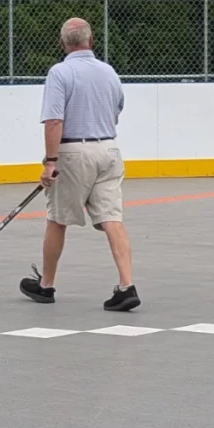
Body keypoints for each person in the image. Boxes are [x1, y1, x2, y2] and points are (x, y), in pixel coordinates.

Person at [18, 17, 139, 311]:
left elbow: (54, 119)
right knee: (112, 217)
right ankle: (126, 285)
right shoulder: (108, 72)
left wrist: (50, 162)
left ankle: (46, 285)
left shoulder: (60, 73)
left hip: (74, 151)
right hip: (108, 148)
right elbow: (117, 109)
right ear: (90, 40)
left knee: (57, 218)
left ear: (63, 43)